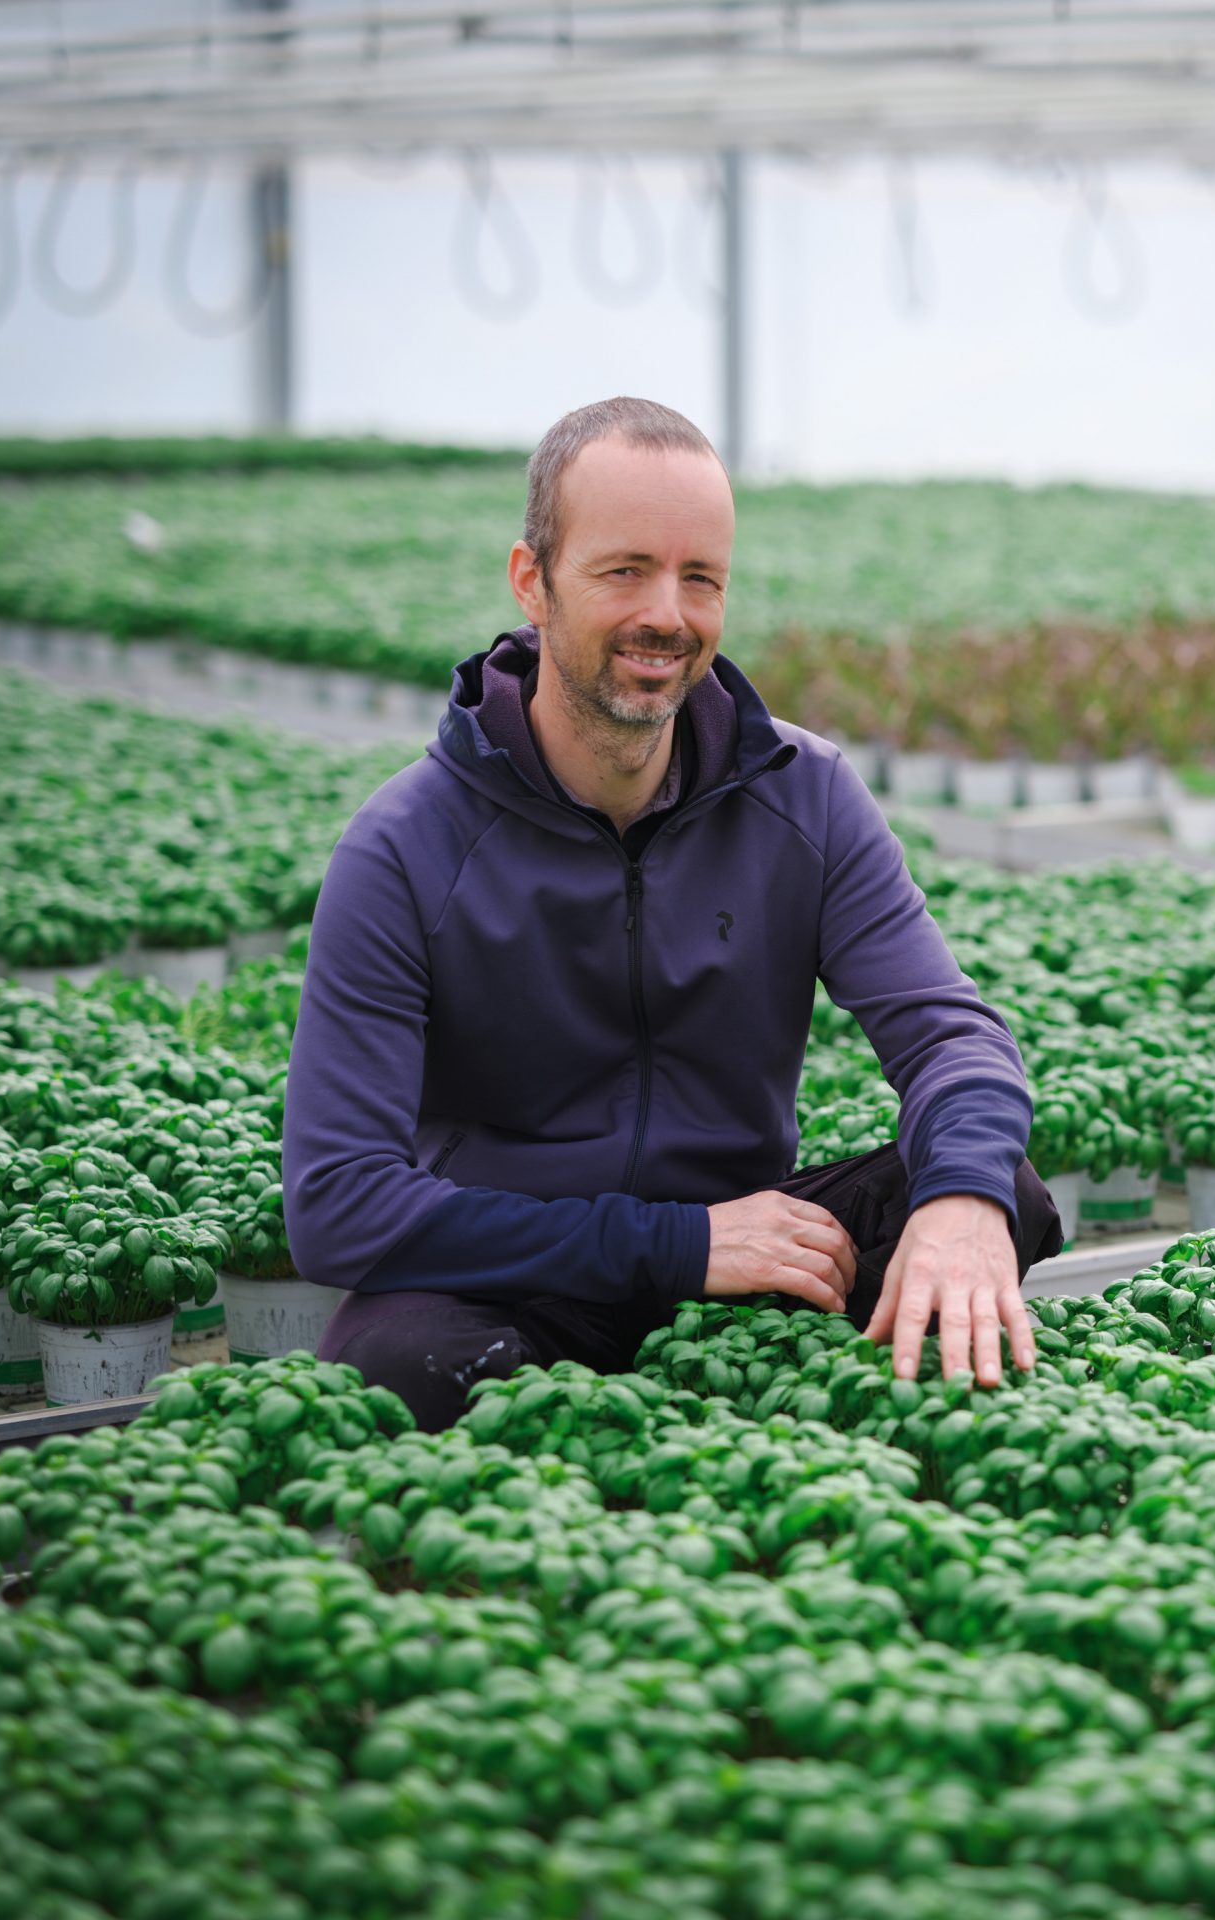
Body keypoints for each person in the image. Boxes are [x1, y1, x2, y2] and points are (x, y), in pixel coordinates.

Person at [281, 396, 1061, 1430]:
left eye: (700, 578)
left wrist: (962, 1203)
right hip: (525, 1273)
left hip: (752, 1252)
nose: (668, 614)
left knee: (1004, 1190)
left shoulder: (804, 795)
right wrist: (681, 1244)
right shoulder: (406, 847)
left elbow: (953, 1038)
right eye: (625, 571)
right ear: (534, 584)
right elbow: (338, 1206)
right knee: (397, 1363)